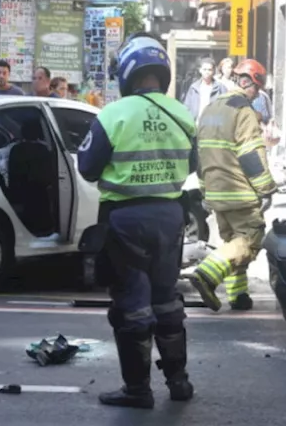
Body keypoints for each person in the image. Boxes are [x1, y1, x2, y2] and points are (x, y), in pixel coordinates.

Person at [77, 33, 198, 409]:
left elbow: (87, 167)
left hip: (126, 218)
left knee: (131, 304)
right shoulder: (182, 114)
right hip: (171, 217)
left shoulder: (114, 114)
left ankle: (137, 389)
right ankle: (178, 381)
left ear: (127, 74)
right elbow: (192, 164)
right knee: (166, 299)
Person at [188, 58, 277, 312]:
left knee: (232, 245)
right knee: (250, 239)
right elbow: (251, 156)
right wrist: (266, 188)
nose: (257, 94)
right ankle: (206, 274)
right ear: (251, 83)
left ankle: (238, 297)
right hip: (239, 191)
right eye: (257, 89)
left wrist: (205, 189)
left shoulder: (211, 109)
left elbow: (200, 154)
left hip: (215, 191)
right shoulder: (243, 111)